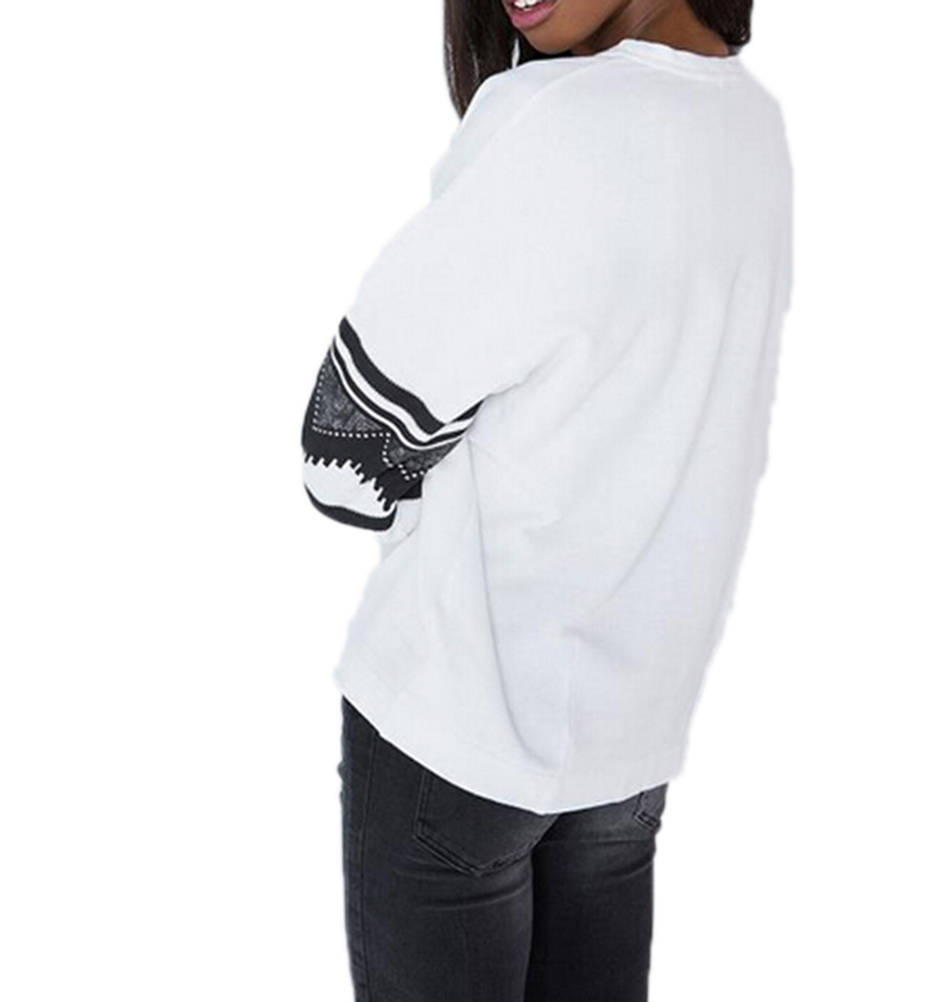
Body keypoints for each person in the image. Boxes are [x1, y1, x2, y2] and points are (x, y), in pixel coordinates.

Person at [301, 0, 793, 998]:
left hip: (456, 733)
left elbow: (342, 452)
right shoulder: (753, 129)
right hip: (627, 747)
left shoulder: (555, 121)